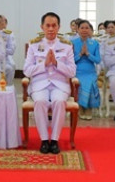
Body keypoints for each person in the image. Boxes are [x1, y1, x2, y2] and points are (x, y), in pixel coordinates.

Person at [23, 12, 76, 154]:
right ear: (42, 27)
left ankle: (55, 140)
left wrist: (57, 63)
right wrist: (44, 64)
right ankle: (44, 140)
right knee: (40, 101)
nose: (51, 29)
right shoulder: (34, 45)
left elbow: (72, 72)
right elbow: (27, 71)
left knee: (59, 101)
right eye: (48, 25)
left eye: (54, 25)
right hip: (40, 84)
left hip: (60, 85)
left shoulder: (67, 46)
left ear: (59, 27)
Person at [72, 20, 101, 120]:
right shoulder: (72, 43)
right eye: (82, 28)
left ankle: (88, 108)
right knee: (80, 82)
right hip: (77, 71)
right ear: (78, 30)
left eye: (87, 28)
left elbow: (98, 60)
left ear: (90, 30)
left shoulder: (95, 43)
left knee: (90, 82)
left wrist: (88, 54)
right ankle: (80, 107)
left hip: (90, 71)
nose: (84, 30)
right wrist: (80, 54)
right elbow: (70, 61)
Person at [0, 14, 16, 85]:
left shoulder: (7, 34)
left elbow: (11, 51)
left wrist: (1, 51)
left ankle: (7, 88)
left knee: (10, 68)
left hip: (3, 61)